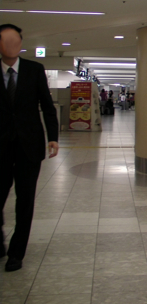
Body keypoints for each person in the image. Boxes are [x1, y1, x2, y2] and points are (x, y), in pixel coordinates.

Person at [0, 24, 59, 272]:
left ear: (21, 44)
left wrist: (53, 137)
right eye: (6, 41)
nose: (11, 46)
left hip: (29, 145)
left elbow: (46, 104)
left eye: (15, 42)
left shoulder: (34, 70)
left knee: (25, 200)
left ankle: (17, 252)